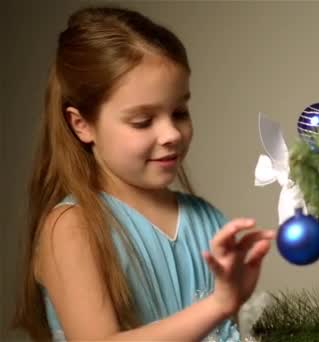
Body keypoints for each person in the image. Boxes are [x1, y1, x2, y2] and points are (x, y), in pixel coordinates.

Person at [12, 6, 275, 341]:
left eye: (179, 112)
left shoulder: (209, 221)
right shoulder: (72, 228)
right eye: (143, 121)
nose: (172, 134)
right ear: (82, 125)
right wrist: (219, 304)